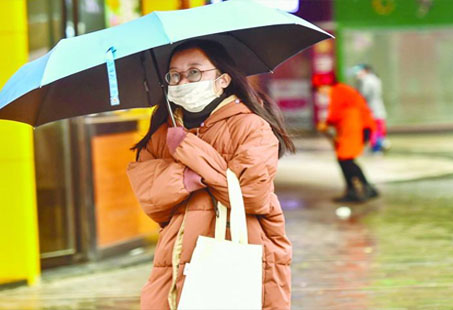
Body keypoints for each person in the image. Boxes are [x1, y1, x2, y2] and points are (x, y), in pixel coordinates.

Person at [126, 40, 293, 310]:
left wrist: (189, 151)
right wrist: (186, 178)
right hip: (176, 258)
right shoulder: (163, 132)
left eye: (194, 72)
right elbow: (151, 200)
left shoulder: (252, 126)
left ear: (223, 79)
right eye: (175, 75)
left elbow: (251, 195)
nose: (183, 81)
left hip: (238, 253)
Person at [317, 75, 379, 202]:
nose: (321, 93)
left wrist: (326, 123)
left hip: (354, 127)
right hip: (356, 126)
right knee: (347, 160)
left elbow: (334, 113)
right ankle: (366, 188)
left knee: (345, 159)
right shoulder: (343, 90)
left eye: (320, 89)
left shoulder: (338, 91)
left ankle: (355, 191)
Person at [354, 64, 389, 153]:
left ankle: (377, 147)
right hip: (376, 110)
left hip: (372, 111)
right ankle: (378, 146)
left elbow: (363, 95)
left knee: (374, 130)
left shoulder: (367, 80)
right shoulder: (374, 79)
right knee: (378, 130)